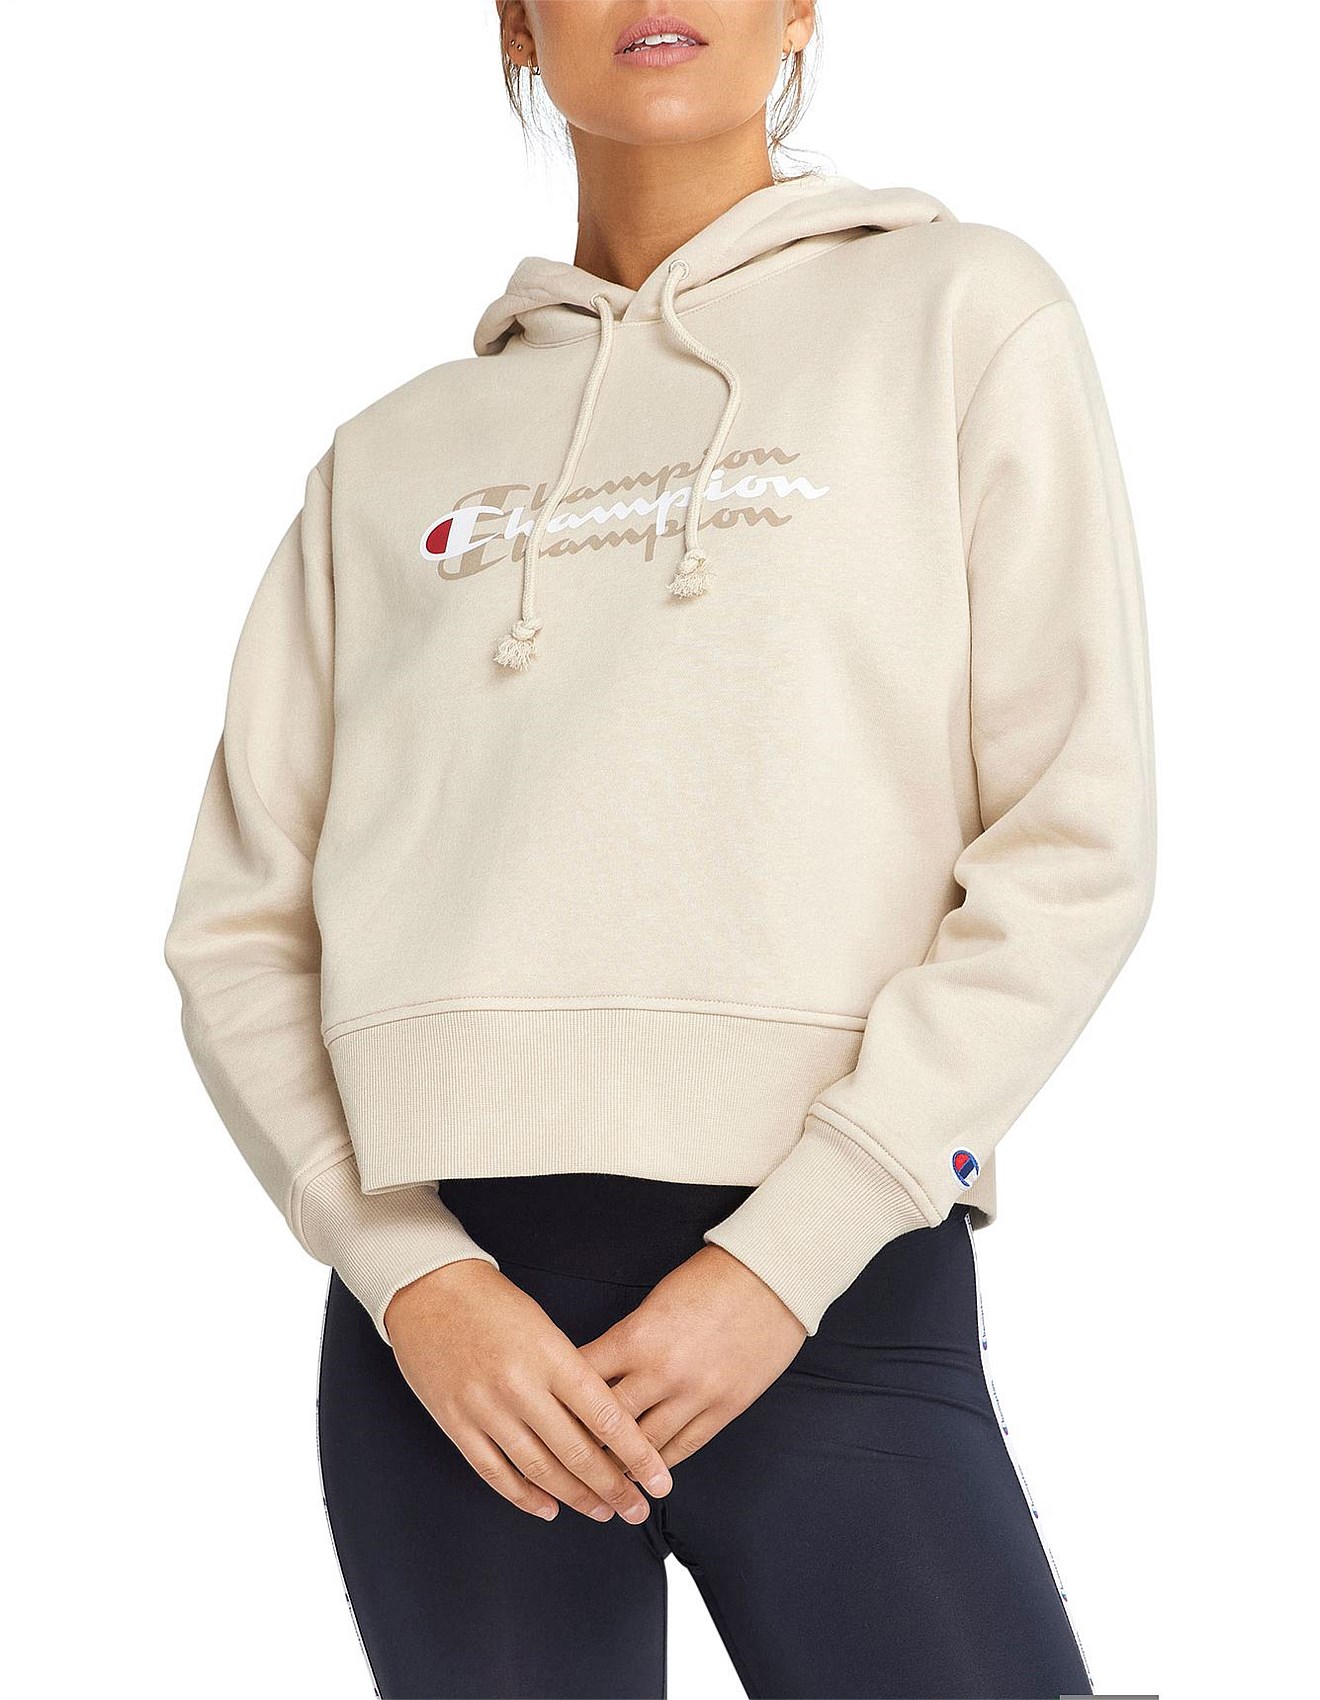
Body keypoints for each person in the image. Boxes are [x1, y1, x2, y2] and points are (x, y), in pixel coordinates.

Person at [163, 2, 1156, 1695]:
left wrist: (783, 1261)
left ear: (799, 11)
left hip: (832, 1281)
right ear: (517, 26)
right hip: (453, 1348)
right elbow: (240, 928)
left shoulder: (965, 313)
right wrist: (409, 1277)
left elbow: (1077, 838)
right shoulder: (386, 460)